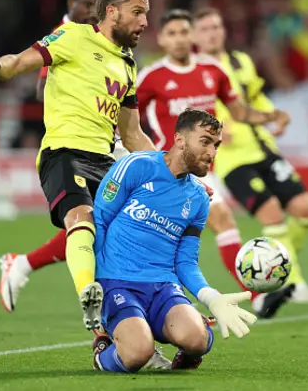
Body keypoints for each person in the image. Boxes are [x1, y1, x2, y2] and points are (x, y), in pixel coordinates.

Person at [0, 0, 156, 330]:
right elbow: (19, 62)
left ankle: (118, 334)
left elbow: (132, 134)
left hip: (105, 162)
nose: (145, 21)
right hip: (64, 151)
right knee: (81, 219)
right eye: (138, 12)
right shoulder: (72, 36)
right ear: (113, 12)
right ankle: (89, 295)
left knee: (118, 246)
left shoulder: (127, 63)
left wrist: (168, 168)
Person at [136, 9, 291, 314]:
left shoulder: (212, 70)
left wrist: (273, 115)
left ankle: (247, 297)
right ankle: (244, 296)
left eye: (184, 32)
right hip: (168, 169)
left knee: (212, 225)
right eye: (172, 33)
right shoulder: (151, 77)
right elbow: (125, 118)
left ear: (192, 36)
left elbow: (239, 112)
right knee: (175, 236)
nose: (179, 39)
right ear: (162, 39)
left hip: (203, 170)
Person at [92, 108, 256, 372]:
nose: (212, 153)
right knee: (137, 354)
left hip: (163, 287)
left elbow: (185, 262)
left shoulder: (200, 199)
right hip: (117, 283)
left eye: (216, 145)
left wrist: (211, 298)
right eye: (205, 142)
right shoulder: (137, 166)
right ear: (180, 140)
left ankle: (186, 350)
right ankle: (103, 351)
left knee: (197, 339)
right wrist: (93, 287)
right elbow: (98, 224)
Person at [192, 7, 308, 318]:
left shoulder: (240, 61)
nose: (213, 32)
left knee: (306, 210)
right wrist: (217, 131)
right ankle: (293, 282)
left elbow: (254, 98)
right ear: (196, 36)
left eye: (216, 26)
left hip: (263, 148)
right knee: (272, 215)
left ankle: (274, 262)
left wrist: (272, 116)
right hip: (231, 159)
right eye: (206, 28)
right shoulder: (197, 71)